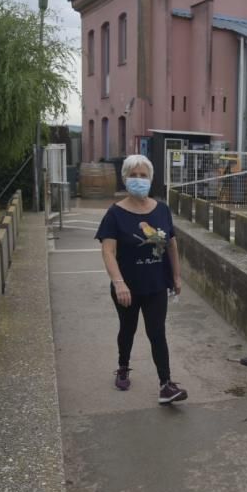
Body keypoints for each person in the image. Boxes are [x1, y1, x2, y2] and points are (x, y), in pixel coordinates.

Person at [96, 154, 187, 405]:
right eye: (133, 175)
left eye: (143, 175)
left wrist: (176, 277)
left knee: (157, 332)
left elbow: (171, 245)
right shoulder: (115, 214)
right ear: (125, 179)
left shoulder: (162, 210)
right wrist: (119, 283)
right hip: (127, 287)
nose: (138, 180)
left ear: (151, 179)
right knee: (128, 329)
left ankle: (166, 385)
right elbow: (108, 251)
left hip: (156, 284)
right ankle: (123, 366)